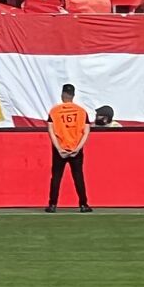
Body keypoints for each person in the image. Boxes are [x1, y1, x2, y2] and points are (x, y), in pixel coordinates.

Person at [45, 83, 92, 212]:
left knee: (56, 177)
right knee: (78, 177)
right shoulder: (81, 111)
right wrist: (77, 148)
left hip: (60, 148)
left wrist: (59, 148)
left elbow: (51, 131)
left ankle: (52, 205)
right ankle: (83, 205)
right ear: (73, 95)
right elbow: (86, 131)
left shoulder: (54, 111)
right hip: (75, 148)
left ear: (62, 95)